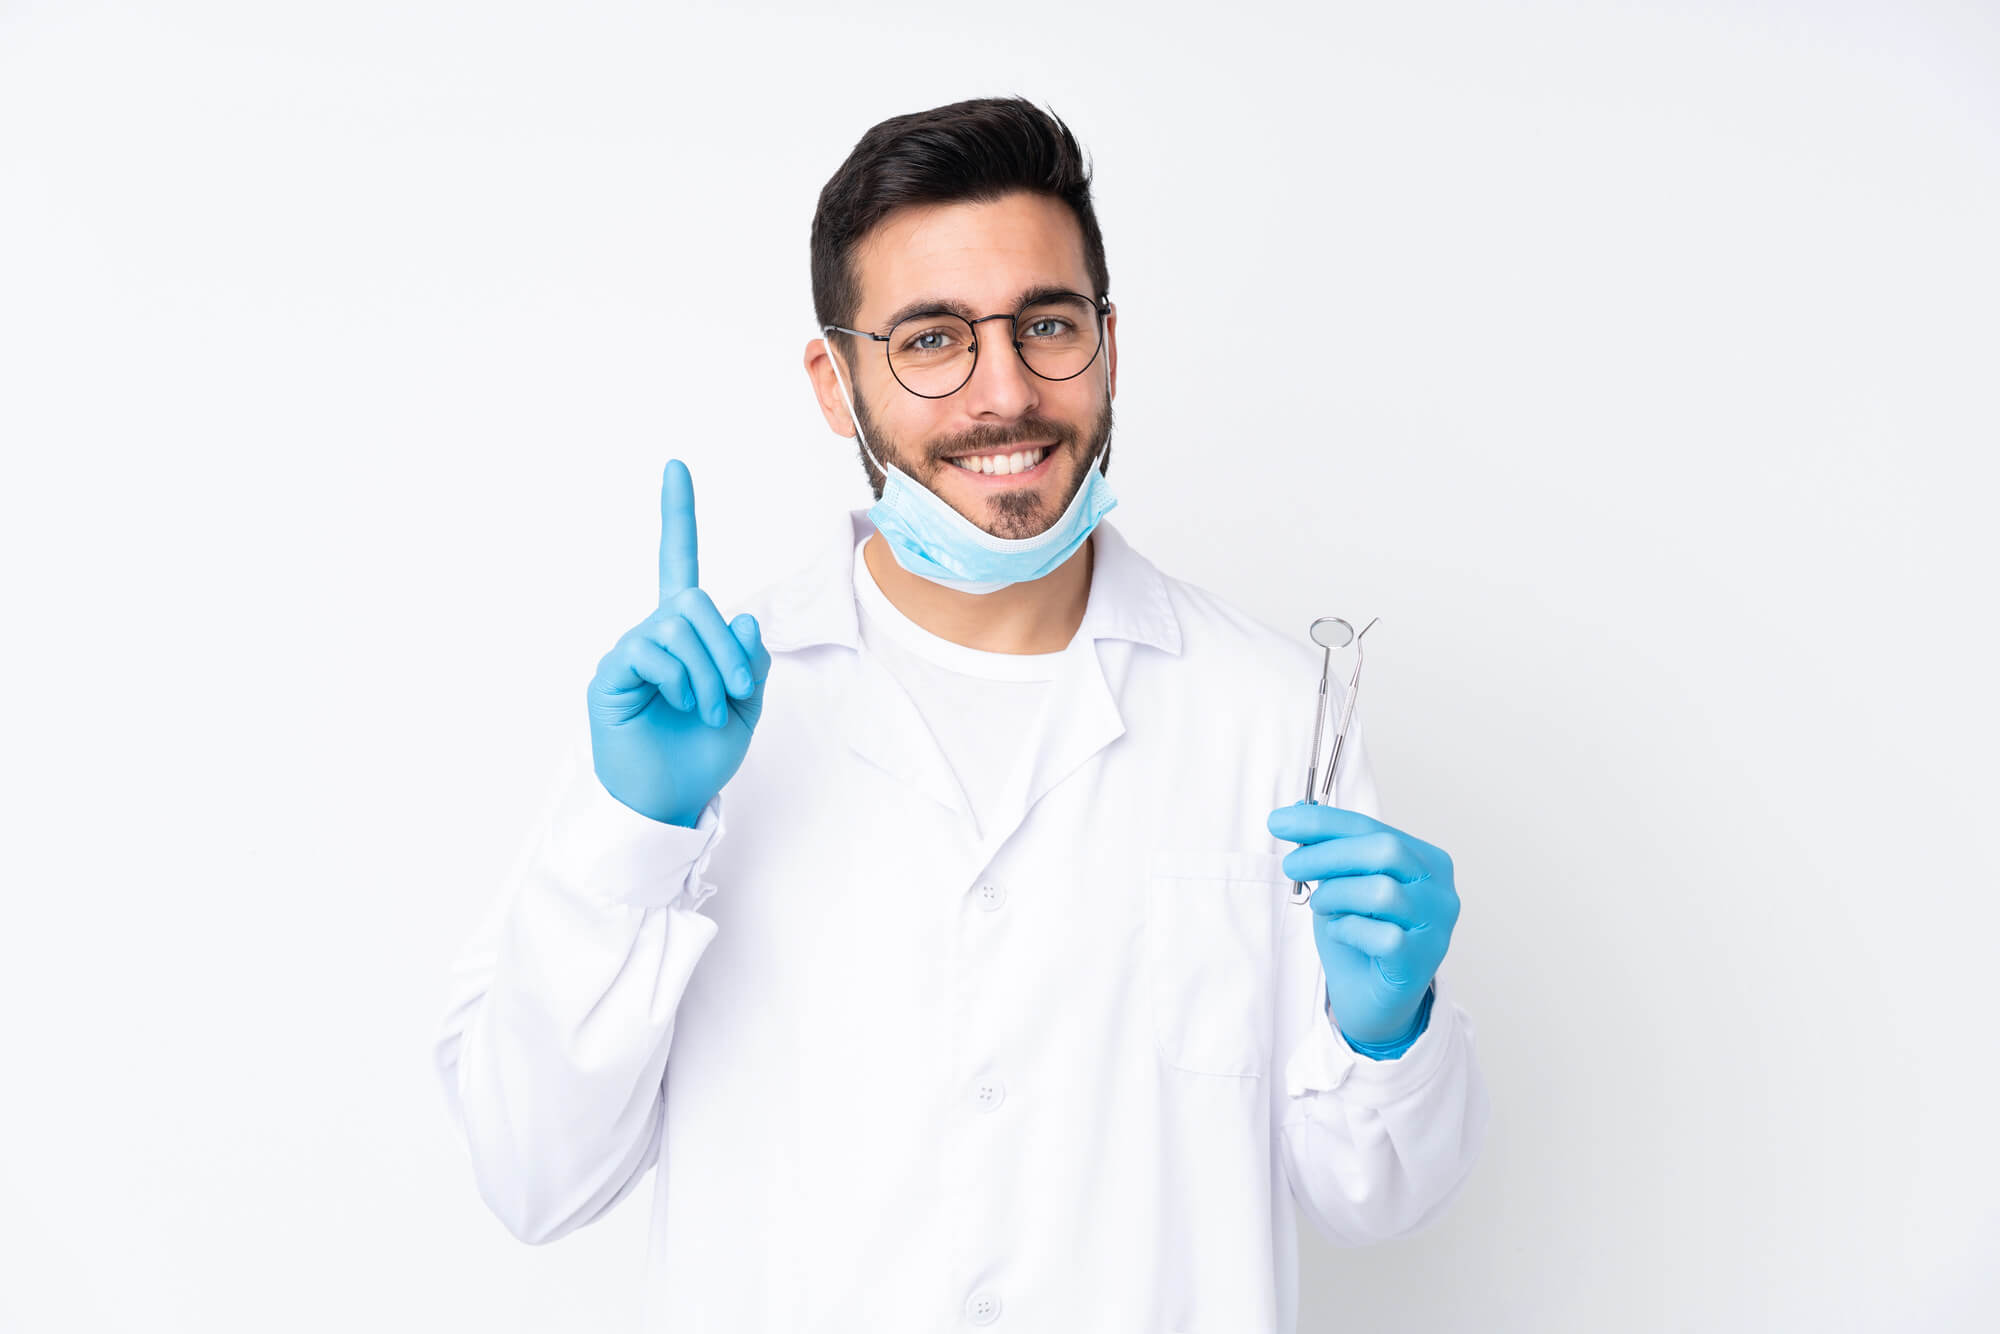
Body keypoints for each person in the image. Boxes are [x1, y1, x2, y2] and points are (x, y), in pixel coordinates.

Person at [433, 96, 1489, 1334]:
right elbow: (533, 1173)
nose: (1006, 392)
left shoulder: (1265, 709)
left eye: (1046, 324)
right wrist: (635, 831)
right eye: (932, 339)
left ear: (1106, 340)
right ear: (836, 381)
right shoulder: (698, 707)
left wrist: (1389, 1031)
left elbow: (1378, 1196)